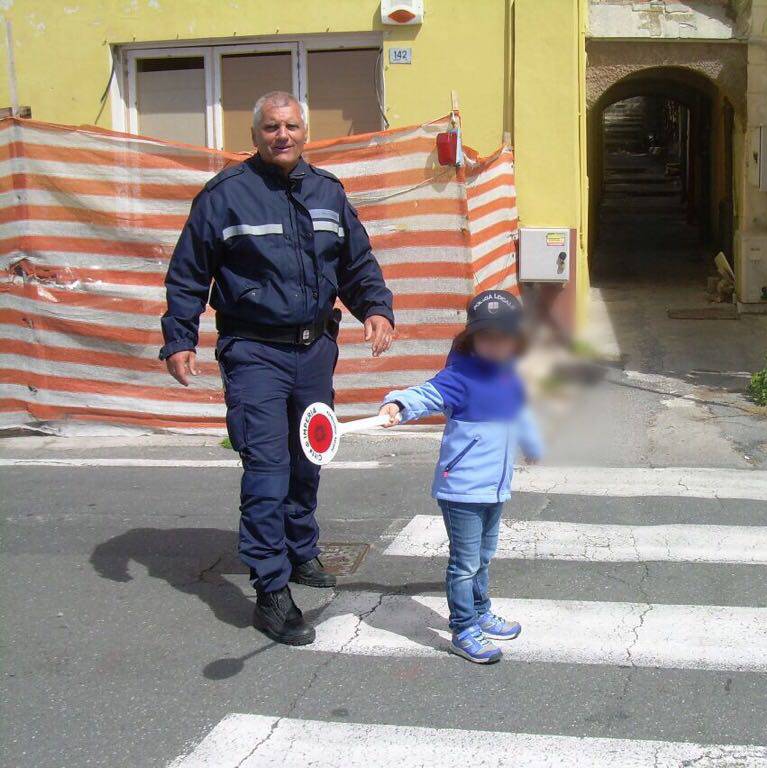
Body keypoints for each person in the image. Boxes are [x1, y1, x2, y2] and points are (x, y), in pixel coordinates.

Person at [159, 91, 395, 646]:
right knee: (267, 469)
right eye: (271, 127)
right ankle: (270, 589)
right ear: (256, 134)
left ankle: (298, 549)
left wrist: (377, 308)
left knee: (309, 456)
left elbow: (356, 263)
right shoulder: (224, 198)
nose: (281, 135)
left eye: (290, 126)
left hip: (314, 352)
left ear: (304, 132)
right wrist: (180, 337)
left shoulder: (329, 194)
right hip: (255, 354)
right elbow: (188, 273)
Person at [378, 290, 543, 664]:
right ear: (472, 338)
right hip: (462, 489)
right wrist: (397, 404)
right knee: (465, 562)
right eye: (488, 336)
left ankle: (482, 611)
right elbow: (425, 394)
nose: (496, 344)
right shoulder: (460, 376)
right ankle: (463, 627)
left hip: (495, 488)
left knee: (484, 557)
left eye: (504, 336)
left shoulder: (512, 375)